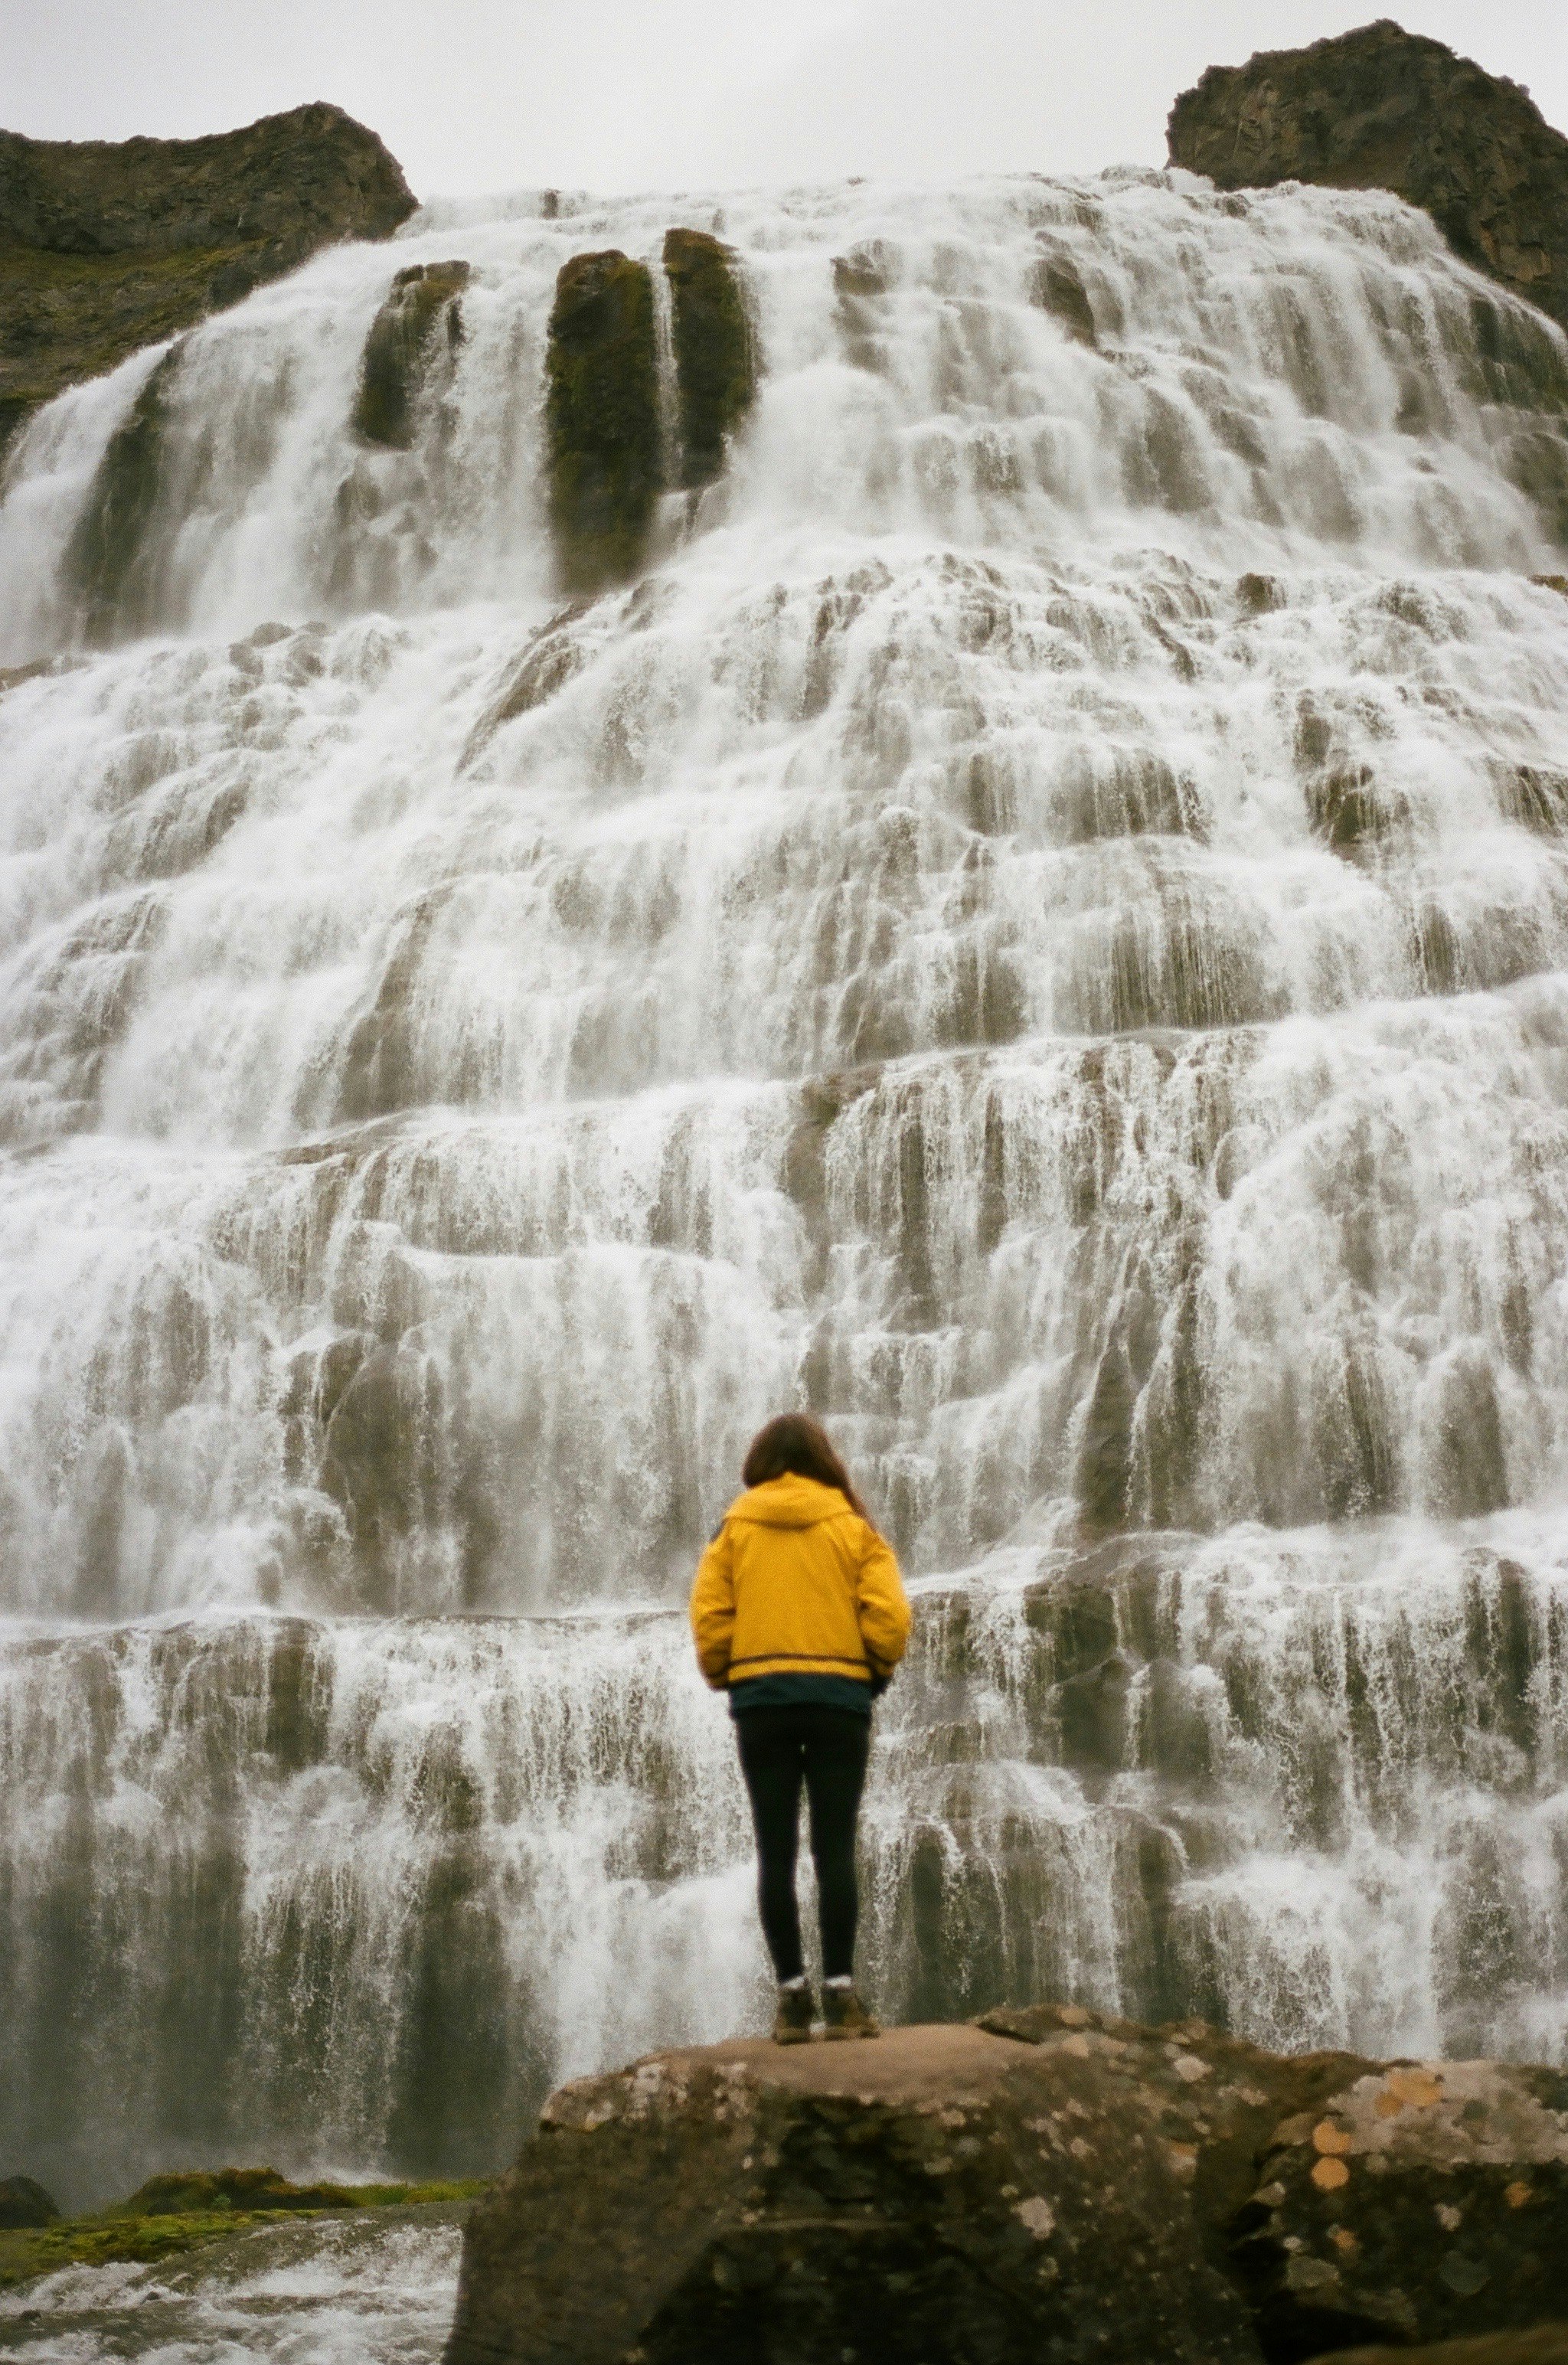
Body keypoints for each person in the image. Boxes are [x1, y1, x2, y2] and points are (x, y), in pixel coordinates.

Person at [689, 1413, 912, 2044]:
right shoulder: (853, 1525)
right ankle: (842, 1998)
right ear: (825, 1461)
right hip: (840, 1697)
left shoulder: (733, 1528)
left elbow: (709, 1616)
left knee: (777, 1851)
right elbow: (890, 1616)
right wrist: (876, 1667)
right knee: (835, 1848)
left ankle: (791, 2002)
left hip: (762, 1701)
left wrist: (724, 1673)